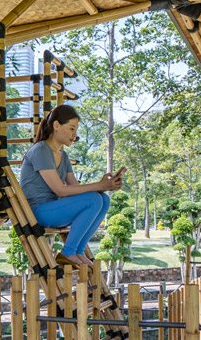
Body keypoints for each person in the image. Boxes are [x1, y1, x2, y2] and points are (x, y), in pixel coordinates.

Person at [19, 104, 124, 269]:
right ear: (56, 126)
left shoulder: (63, 156)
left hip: (54, 210)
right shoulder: (41, 150)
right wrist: (99, 185)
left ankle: (78, 251)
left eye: (76, 130)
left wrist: (105, 186)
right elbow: (60, 190)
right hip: (38, 212)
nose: (74, 135)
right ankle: (68, 252)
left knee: (103, 199)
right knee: (94, 199)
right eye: (71, 129)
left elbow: (75, 189)